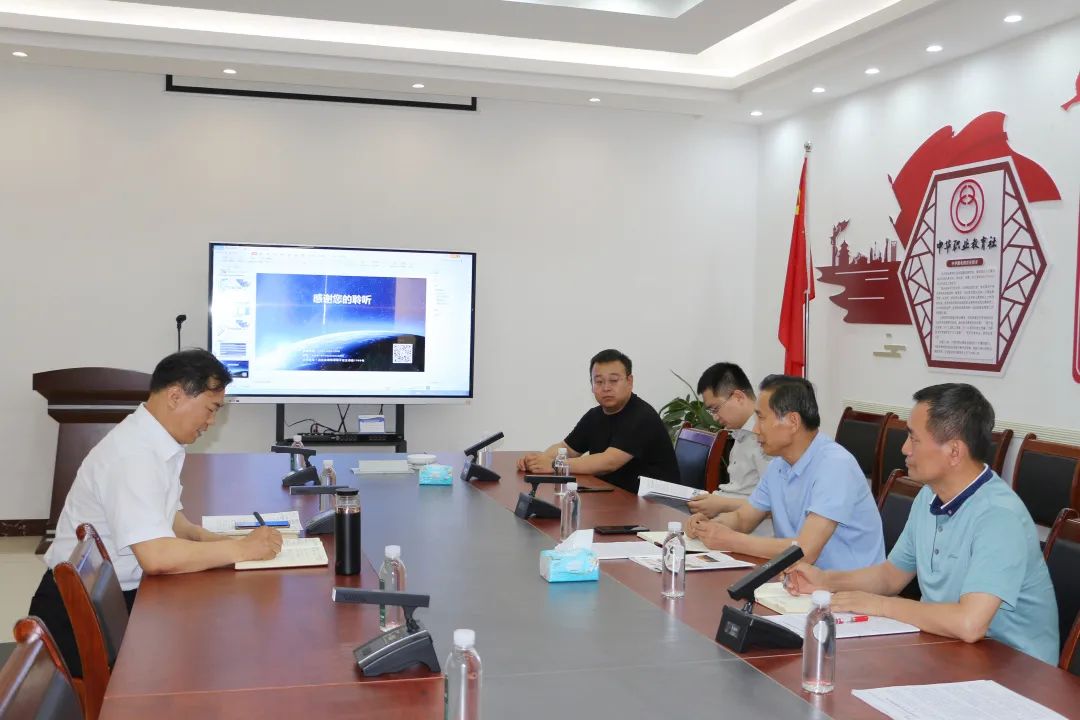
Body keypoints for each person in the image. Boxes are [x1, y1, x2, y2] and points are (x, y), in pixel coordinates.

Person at [30, 349, 283, 676]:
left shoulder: (157, 441)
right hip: (79, 618)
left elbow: (172, 521)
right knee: (222, 648)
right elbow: (157, 557)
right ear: (175, 396)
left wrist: (222, 541)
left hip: (114, 597)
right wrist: (242, 550)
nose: (211, 422)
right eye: (211, 409)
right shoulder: (134, 455)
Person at [783, 384, 1059, 664]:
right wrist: (826, 581)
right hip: (951, 651)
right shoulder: (929, 495)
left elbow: (970, 623)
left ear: (954, 451)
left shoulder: (998, 515)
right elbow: (891, 576)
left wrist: (880, 605)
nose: (904, 449)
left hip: (1016, 669)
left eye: (914, 439)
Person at [685, 374, 884, 570]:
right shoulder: (778, 465)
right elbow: (743, 519)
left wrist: (731, 540)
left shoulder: (835, 466)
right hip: (798, 580)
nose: (755, 430)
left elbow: (805, 551)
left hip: (845, 587)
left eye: (761, 418)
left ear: (793, 422)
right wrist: (710, 525)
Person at [516, 349, 679, 493]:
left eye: (613, 380)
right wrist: (537, 460)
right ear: (592, 385)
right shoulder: (594, 416)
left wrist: (554, 465)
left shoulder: (641, 416)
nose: (606, 388)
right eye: (599, 381)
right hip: (617, 496)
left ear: (629, 382)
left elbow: (609, 462)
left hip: (656, 505)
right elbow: (566, 448)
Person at [687, 363, 772, 519]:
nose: (714, 417)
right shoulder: (740, 432)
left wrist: (721, 504)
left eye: (715, 408)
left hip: (750, 528)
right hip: (729, 520)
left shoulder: (767, 438)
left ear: (738, 397)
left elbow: (774, 505)